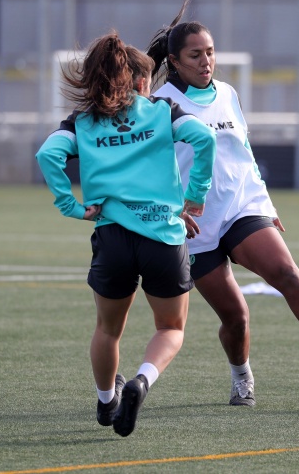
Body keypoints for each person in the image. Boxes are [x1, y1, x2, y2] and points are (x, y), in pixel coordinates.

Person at [145, 0, 299, 407]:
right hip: (194, 227)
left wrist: (265, 204)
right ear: (175, 61)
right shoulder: (158, 105)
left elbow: (244, 154)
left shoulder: (229, 94)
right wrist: (170, 212)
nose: (206, 62)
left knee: (288, 274)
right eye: (195, 55)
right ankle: (241, 377)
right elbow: (148, 170)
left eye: (210, 53)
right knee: (236, 318)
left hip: (241, 209)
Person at [35, 32, 216, 437]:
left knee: (108, 330)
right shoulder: (160, 111)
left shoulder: (82, 122)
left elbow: (47, 154)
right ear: (137, 81)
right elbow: (204, 139)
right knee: (170, 328)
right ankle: (140, 382)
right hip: (163, 237)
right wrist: (194, 197)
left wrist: (71, 206)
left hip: (113, 237)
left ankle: (105, 402)